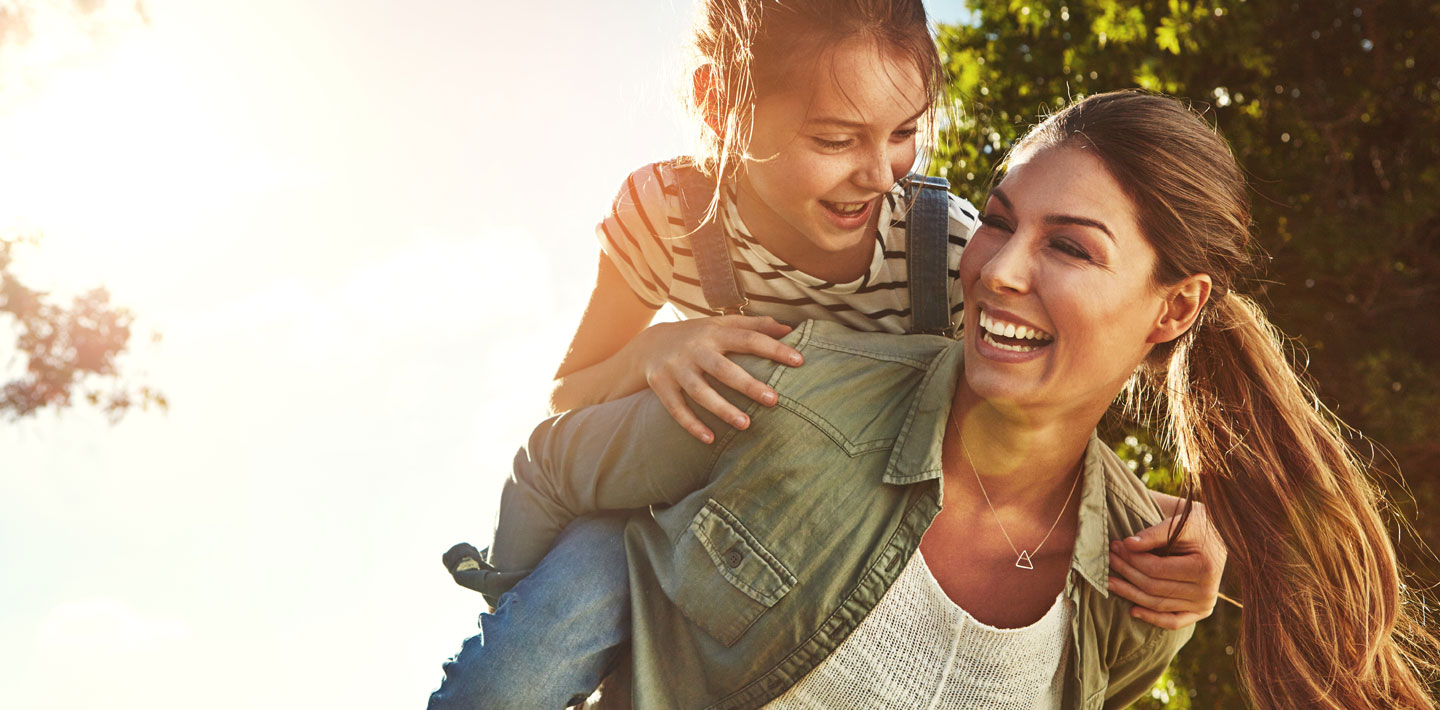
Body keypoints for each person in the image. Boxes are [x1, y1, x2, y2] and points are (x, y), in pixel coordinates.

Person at [436, 90, 1439, 710]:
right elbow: (556, 460)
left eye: (1069, 245)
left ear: (1173, 307)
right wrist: (525, 604)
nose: (999, 268)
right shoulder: (790, 387)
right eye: (1000, 223)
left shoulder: (1141, 582)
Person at [431, 2, 1225, 706]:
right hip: (672, 501)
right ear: (721, 105)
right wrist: (662, 347)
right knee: (516, 669)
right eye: (836, 138)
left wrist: (1160, 524)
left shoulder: (948, 252)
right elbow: (573, 393)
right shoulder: (670, 214)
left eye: (906, 133)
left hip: (833, 523)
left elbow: (1020, 428)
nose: (879, 176)